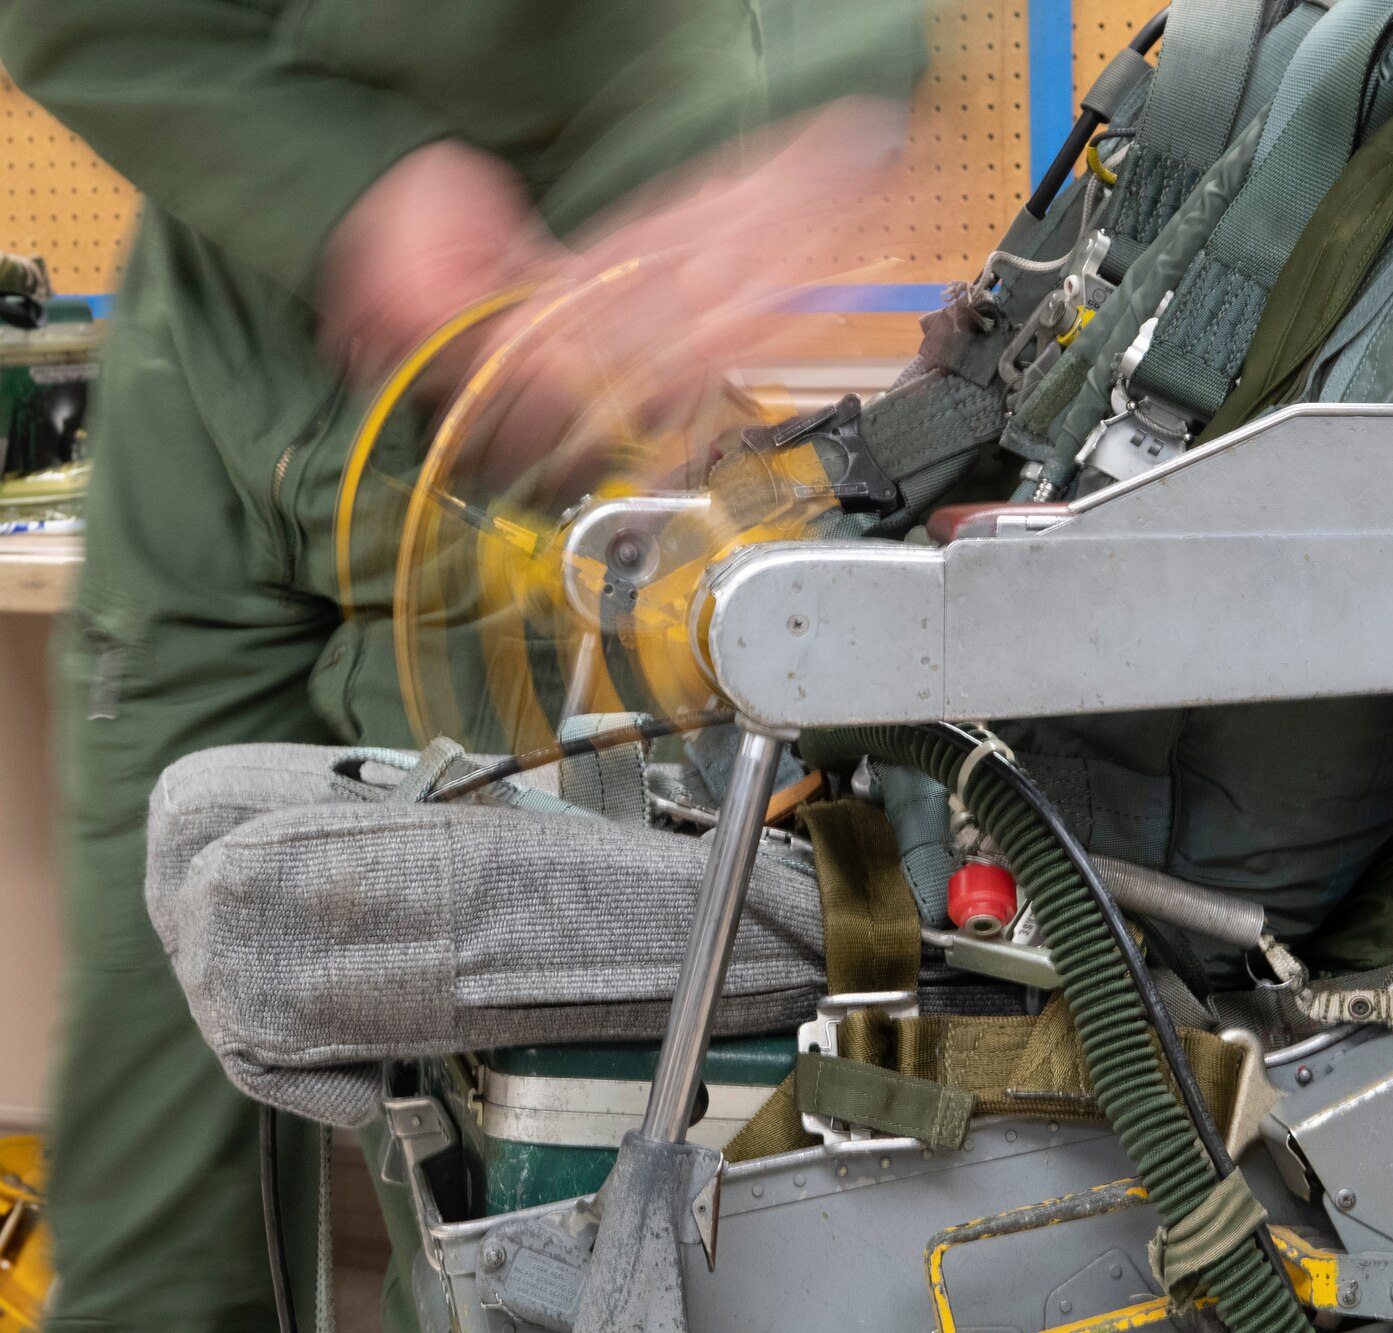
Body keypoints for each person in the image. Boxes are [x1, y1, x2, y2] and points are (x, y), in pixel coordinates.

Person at [0, 1, 921, 1326]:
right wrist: (350, 181)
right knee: (154, 1185)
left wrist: (801, 128)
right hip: (209, 396)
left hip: (545, 408)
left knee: (517, 1191)